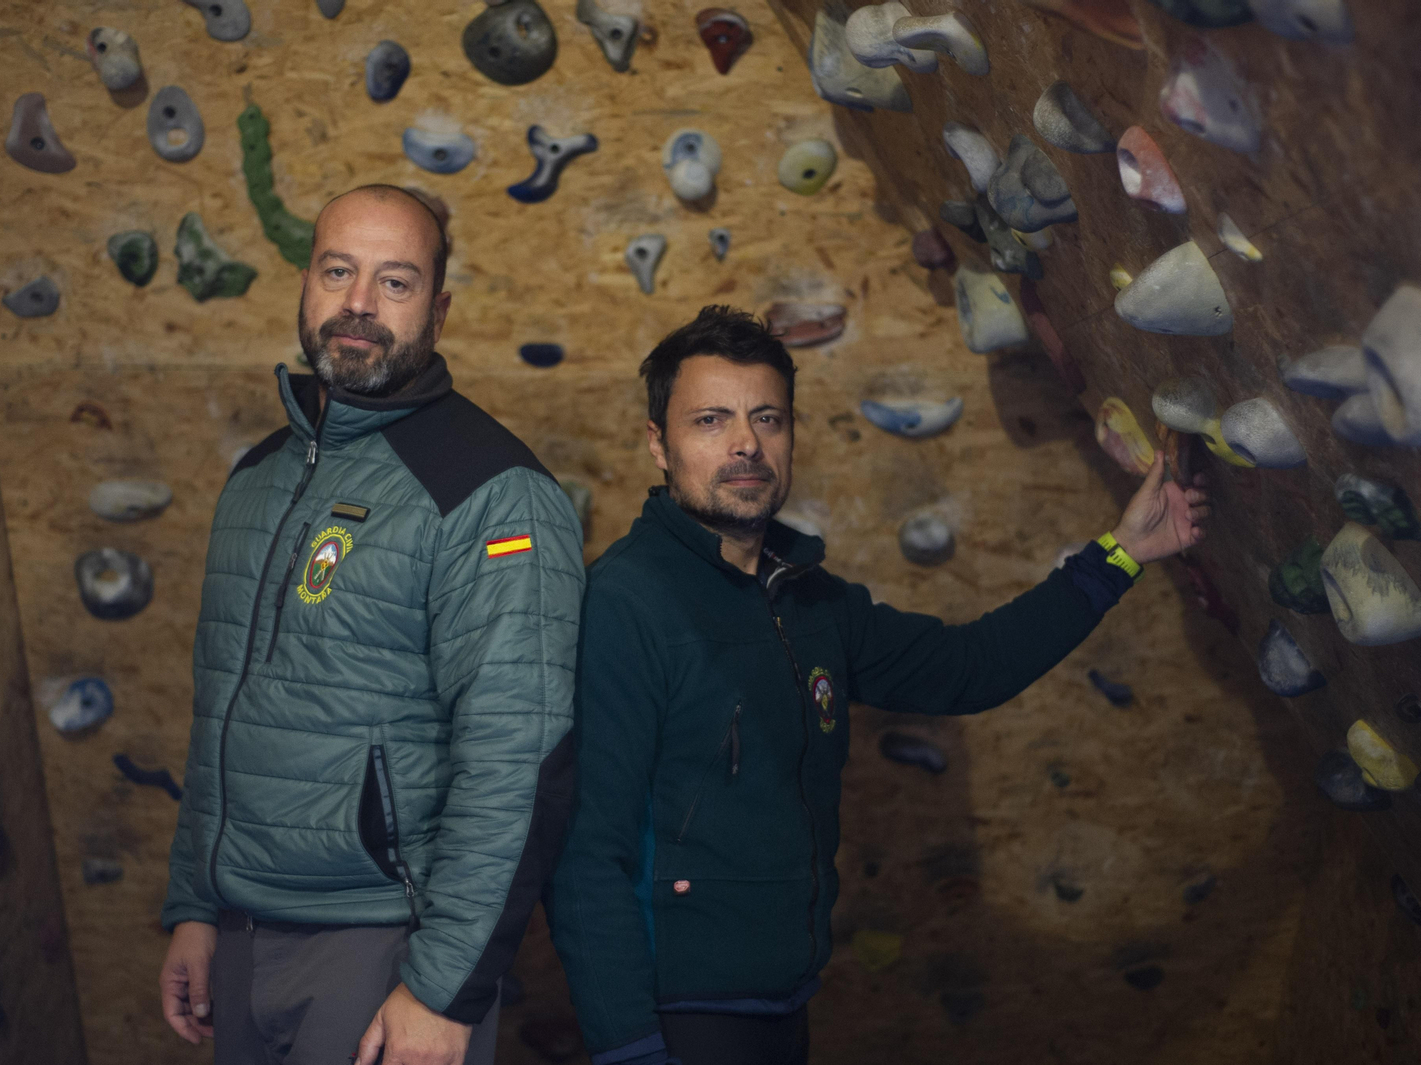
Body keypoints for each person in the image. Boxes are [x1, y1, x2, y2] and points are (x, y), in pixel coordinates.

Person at [545, 305, 1210, 1065]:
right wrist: (628, 1048)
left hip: (783, 1006)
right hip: (678, 1021)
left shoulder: (809, 600)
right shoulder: (626, 603)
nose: (745, 443)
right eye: (710, 420)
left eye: (768, 417)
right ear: (658, 446)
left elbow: (970, 667)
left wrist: (1121, 553)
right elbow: (585, 853)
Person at [157, 185, 584, 1065]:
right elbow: (222, 713)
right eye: (338, 270)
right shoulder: (258, 476)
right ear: (307, 280)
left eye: (395, 281)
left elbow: (517, 759)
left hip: (381, 946)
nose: (358, 303)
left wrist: (444, 989)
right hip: (240, 932)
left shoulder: (492, 489)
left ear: (439, 307)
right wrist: (196, 905)